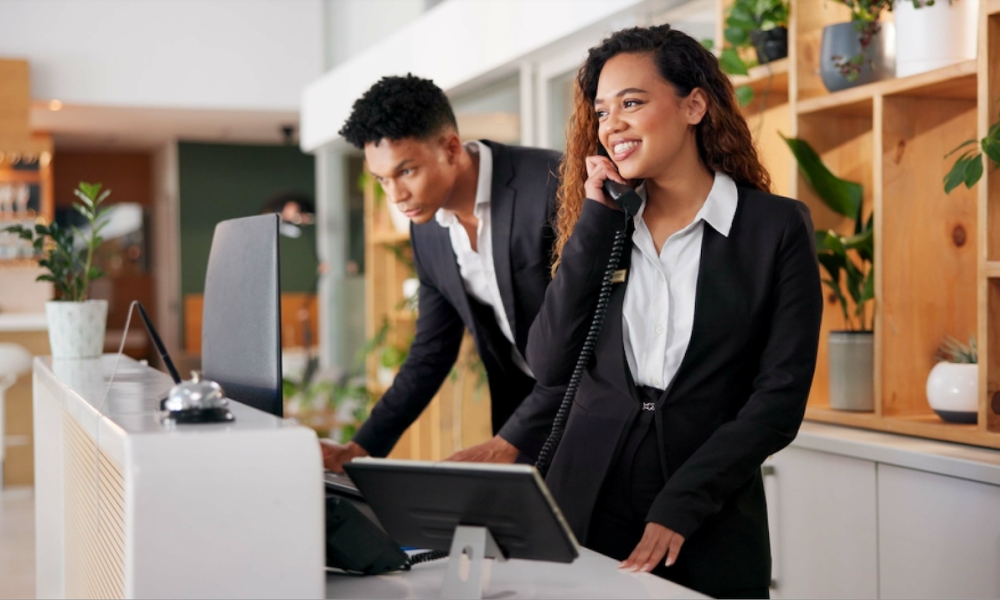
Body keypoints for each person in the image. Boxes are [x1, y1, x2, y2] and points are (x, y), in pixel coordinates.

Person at [525, 26, 823, 599]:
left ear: (694, 104)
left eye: (632, 103)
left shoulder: (775, 228)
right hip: (584, 499)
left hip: (704, 505)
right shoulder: (605, 227)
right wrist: (595, 220)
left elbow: (779, 398)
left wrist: (685, 501)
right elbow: (548, 362)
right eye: (603, 110)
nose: (611, 124)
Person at [321, 74, 565, 471]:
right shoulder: (427, 231)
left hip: (598, 405)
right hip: (522, 412)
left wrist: (510, 440)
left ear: (451, 148)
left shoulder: (552, 184)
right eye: (382, 179)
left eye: (406, 171)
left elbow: (593, 333)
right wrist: (360, 448)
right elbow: (431, 351)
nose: (396, 196)